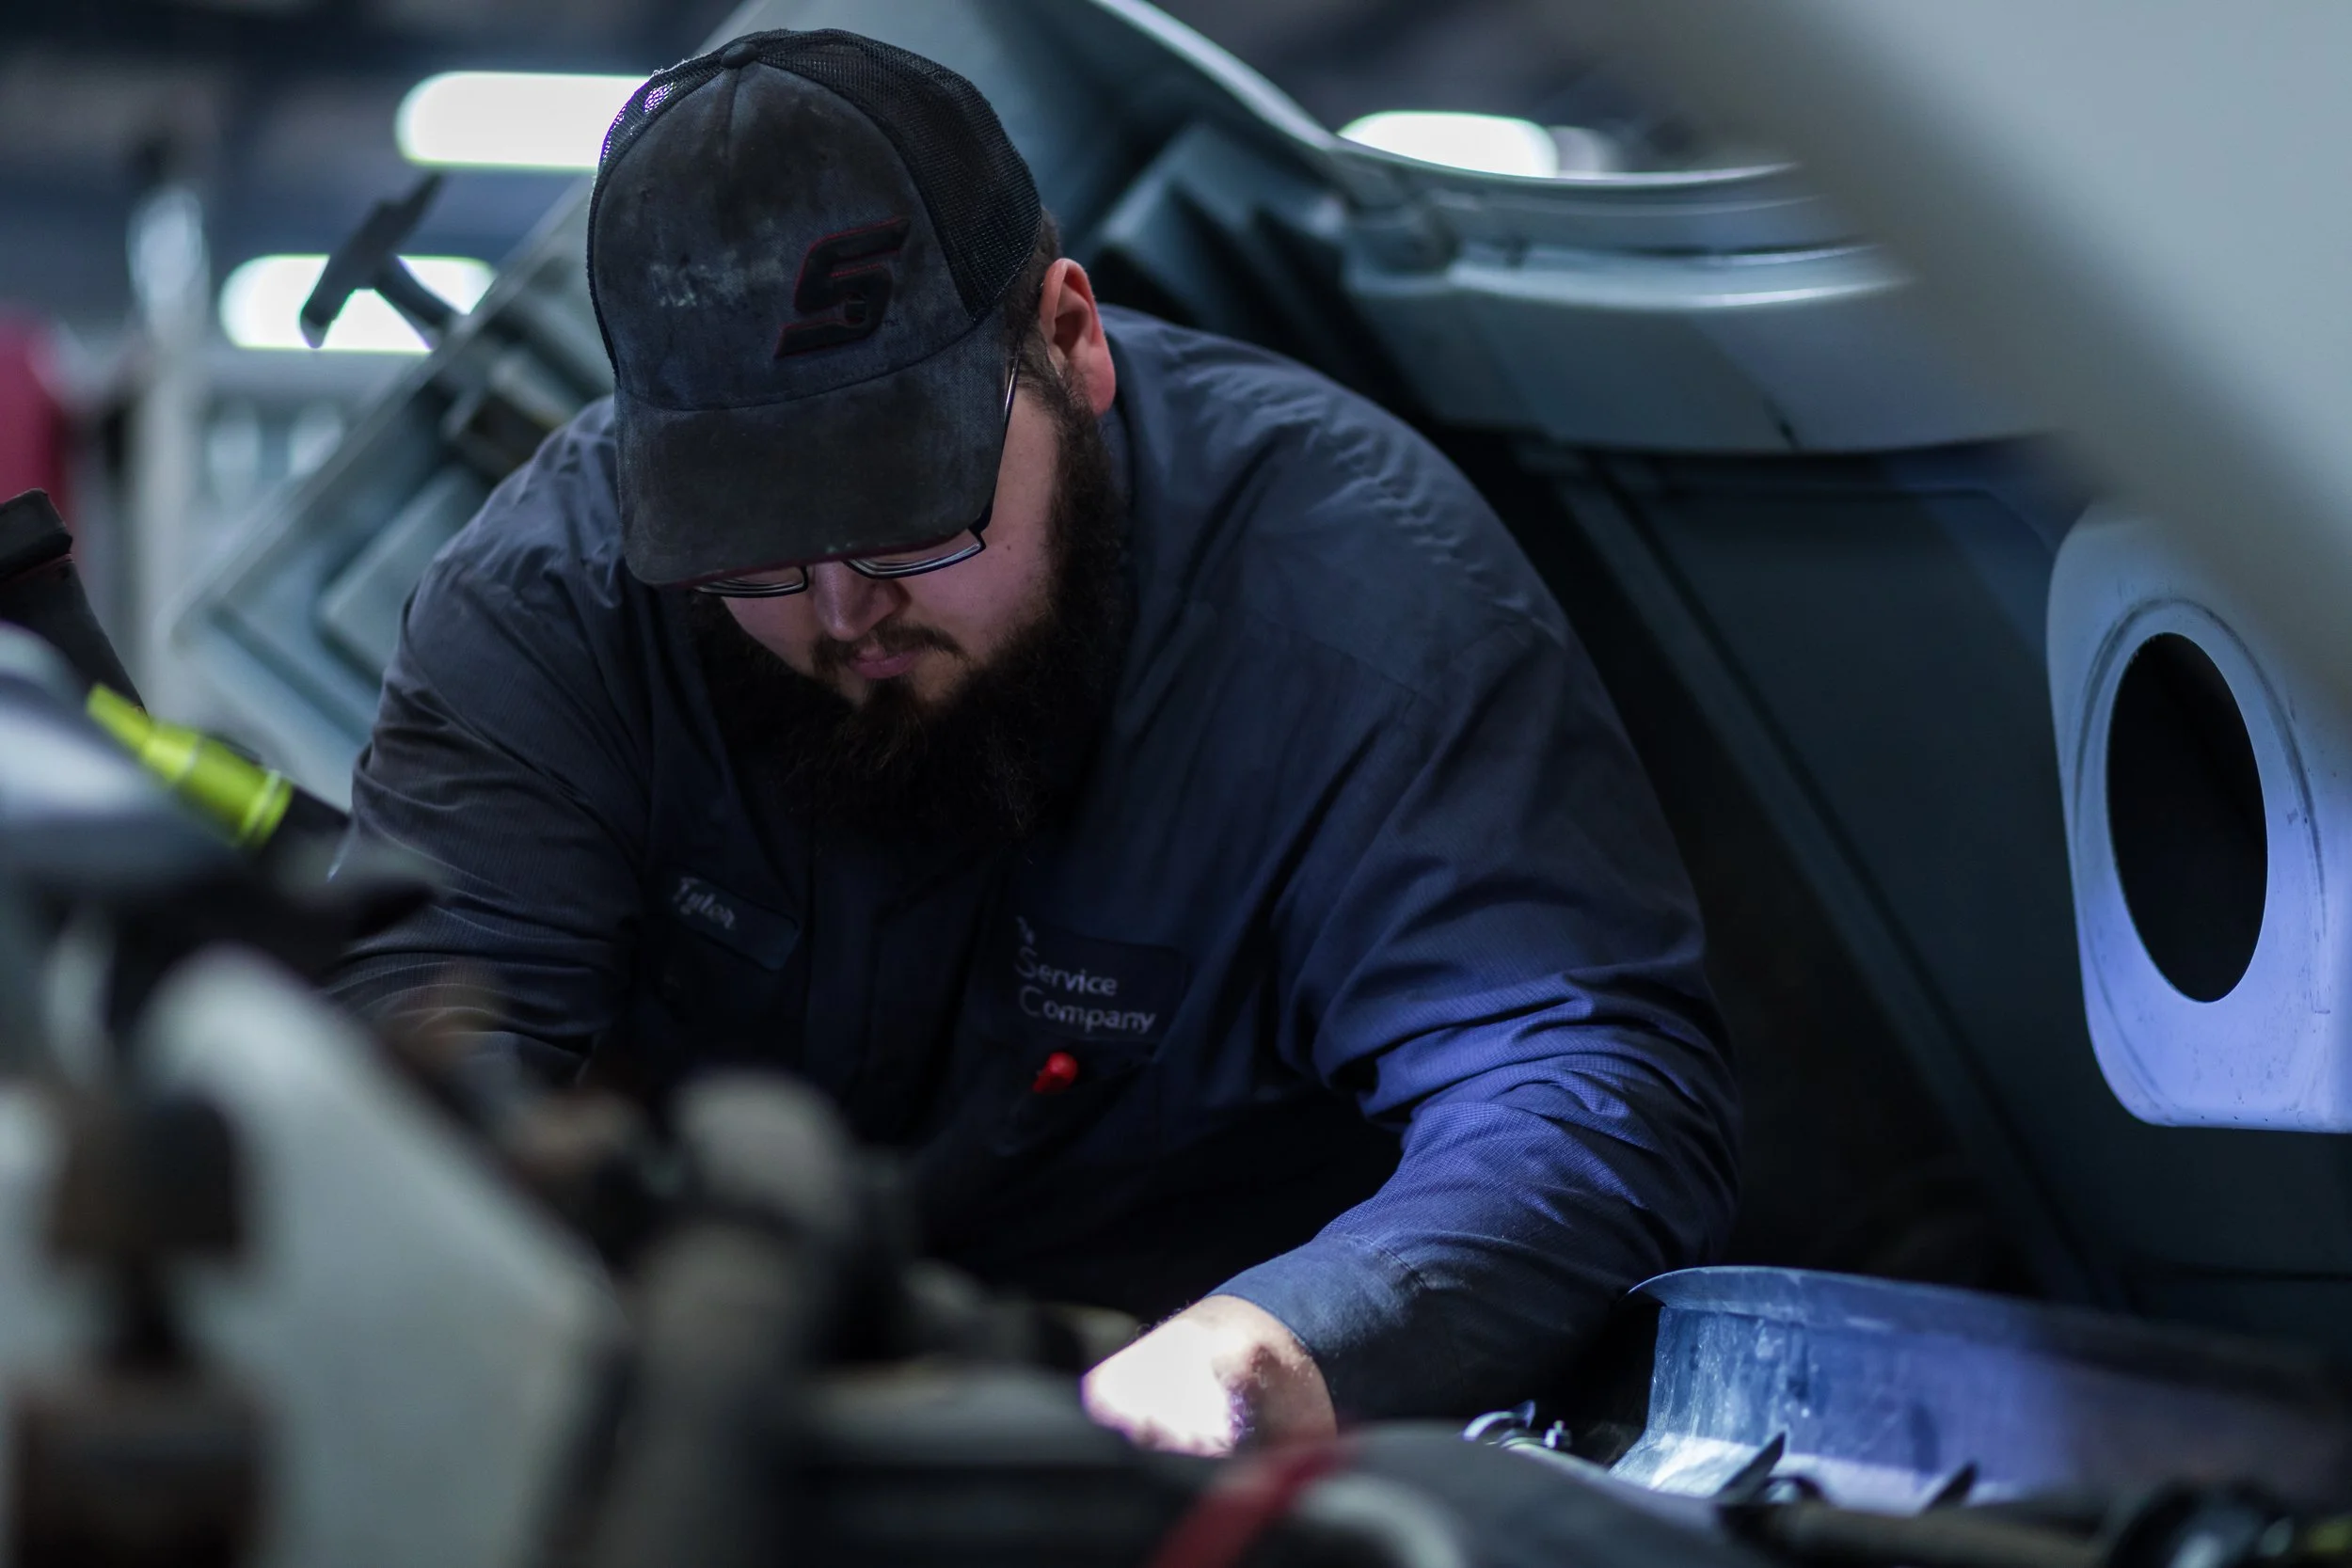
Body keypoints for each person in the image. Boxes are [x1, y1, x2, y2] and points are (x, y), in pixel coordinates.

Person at [331, 27, 1738, 1455]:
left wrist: (1284, 1337)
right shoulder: (557, 606)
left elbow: (1578, 1081)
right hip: (738, 1402)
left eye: (907, 508)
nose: (839, 606)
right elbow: (401, 1074)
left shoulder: (1362, 599)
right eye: (749, 545)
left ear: (1071, 341)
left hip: (1210, 1433)